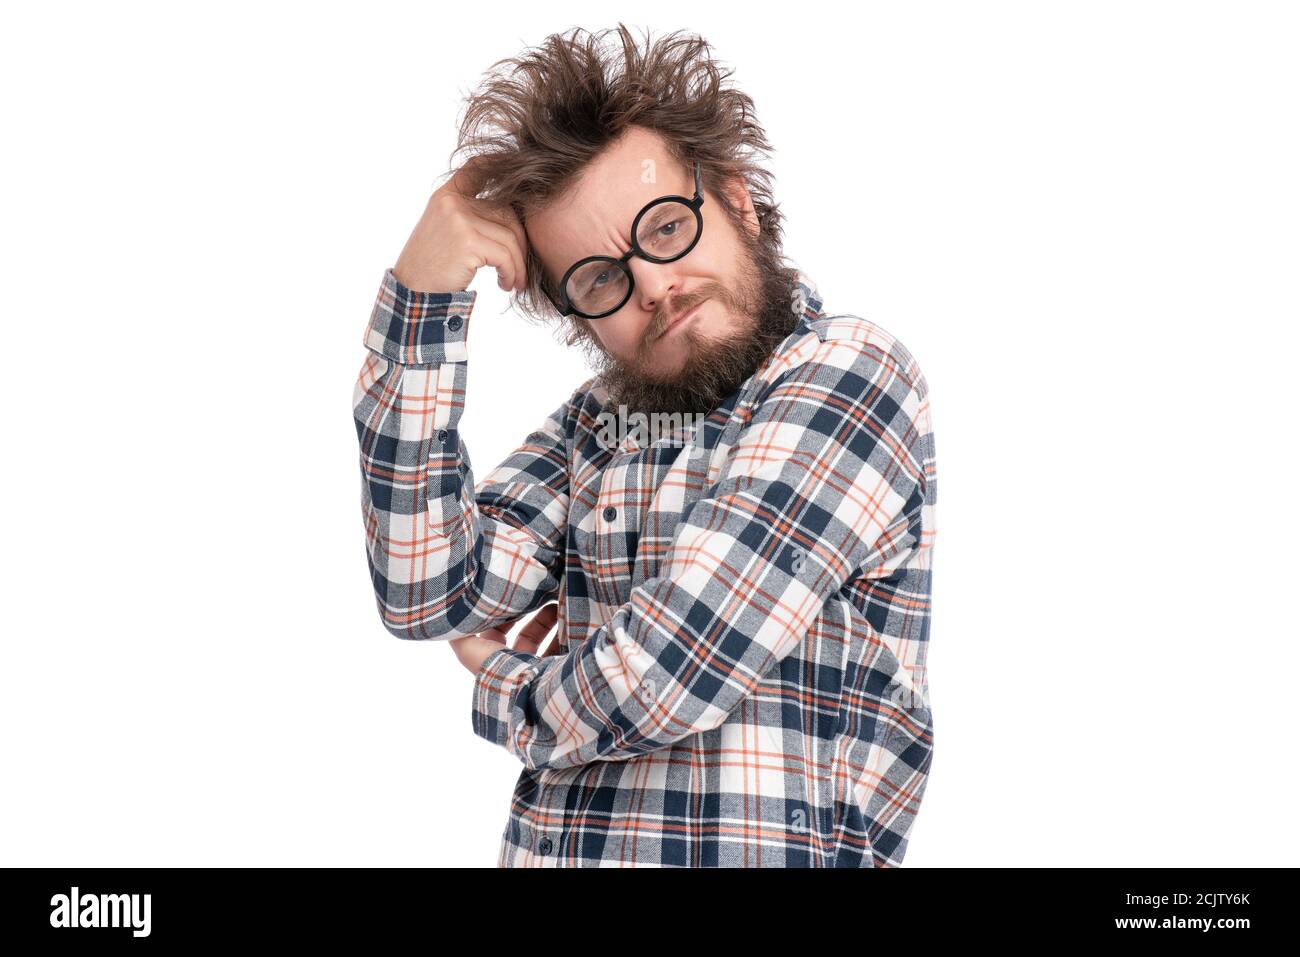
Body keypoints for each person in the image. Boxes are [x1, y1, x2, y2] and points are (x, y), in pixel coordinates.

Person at [350, 24, 938, 867]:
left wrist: (506, 688)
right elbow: (424, 588)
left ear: (736, 200)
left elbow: (677, 664)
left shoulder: (849, 371)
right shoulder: (599, 422)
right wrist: (422, 298)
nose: (653, 287)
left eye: (665, 228)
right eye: (599, 278)